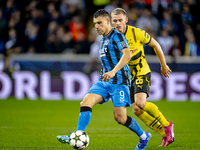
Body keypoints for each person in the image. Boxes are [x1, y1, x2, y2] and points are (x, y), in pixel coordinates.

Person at [57, 9, 151, 150]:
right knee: (86, 102)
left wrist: (113, 71)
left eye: (99, 23)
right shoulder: (102, 39)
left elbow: (127, 55)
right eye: (95, 23)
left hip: (120, 82)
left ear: (108, 22)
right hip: (104, 81)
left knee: (120, 118)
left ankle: (143, 137)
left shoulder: (117, 36)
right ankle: (78, 135)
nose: (96, 26)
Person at [111, 8, 175, 147]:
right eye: (114, 21)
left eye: (120, 20)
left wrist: (163, 65)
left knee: (140, 103)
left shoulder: (136, 33)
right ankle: (165, 135)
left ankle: (167, 125)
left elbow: (156, 45)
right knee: (136, 110)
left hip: (141, 72)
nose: (117, 23)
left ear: (126, 20)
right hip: (127, 78)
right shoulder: (111, 38)